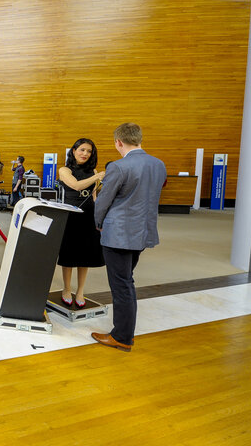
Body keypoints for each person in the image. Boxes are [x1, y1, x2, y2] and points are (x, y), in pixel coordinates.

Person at [91, 123, 166, 352]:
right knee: (127, 280)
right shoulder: (158, 164)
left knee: (121, 284)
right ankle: (124, 331)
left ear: (118, 142)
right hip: (142, 233)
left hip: (118, 234)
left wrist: (98, 223)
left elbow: (104, 201)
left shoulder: (118, 166)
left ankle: (122, 336)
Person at [57, 138, 106, 308]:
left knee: (85, 255)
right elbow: (76, 186)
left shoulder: (92, 171)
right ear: (74, 151)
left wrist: (99, 217)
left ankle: (80, 291)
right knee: (69, 254)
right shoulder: (64, 170)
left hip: (88, 215)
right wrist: (97, 176)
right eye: (82, 150)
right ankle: (66, 289)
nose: (85, 153)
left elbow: (93, 197)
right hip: (70, 215)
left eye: (89, 151)